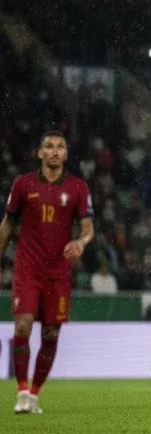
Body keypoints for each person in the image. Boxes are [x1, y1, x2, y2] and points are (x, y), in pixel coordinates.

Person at [0, 131, 94, 414]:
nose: (54, 151)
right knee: (23, 326)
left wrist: (80, 242)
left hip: (59, 273)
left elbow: (88, 228)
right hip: (27, 269)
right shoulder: (22, 184)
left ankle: (35, 395)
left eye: (60, 147)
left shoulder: (78, 187)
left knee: (51, 333)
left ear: (66, 154)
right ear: (39, 152)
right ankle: (22, 392)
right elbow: (7, 224)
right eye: (49, 147)